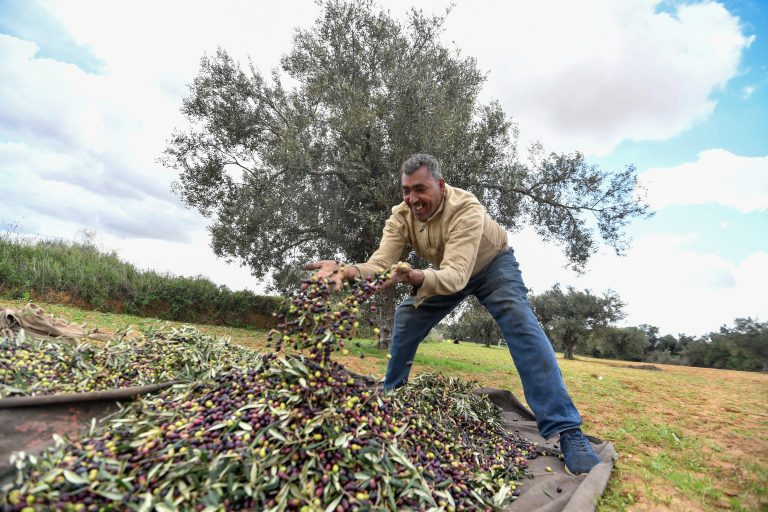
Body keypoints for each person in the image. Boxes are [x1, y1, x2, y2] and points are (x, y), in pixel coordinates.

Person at [305, 153, 600, 475]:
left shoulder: (467, 208)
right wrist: (346, 271)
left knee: (522, 325)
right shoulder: (401, 217)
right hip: (446, 271)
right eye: (406, 190)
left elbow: (458, 277)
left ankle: (568, 431)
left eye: (420, 189)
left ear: (441, 185)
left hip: (492, 267)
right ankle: (392, 394)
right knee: (408, 316)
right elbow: (380, 264)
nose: (412, 199)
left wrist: (416, 277)